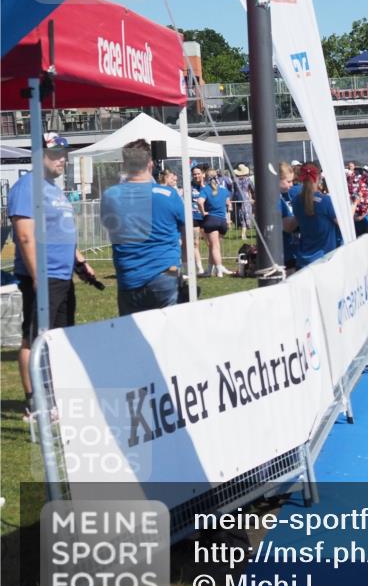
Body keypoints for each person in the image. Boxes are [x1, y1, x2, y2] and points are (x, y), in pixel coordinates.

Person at [8, 137, 95, 416]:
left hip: (62, 277)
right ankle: (34, 402)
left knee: (58, 339)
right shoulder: (27, 187)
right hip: (42, 277)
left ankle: (54, 397)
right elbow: (24, 235)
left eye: (64, 154)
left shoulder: (54, 189)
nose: (63, 159)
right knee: (34, 338)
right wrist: (37, 276)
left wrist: (79, 260)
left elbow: (60, 230)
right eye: (56, 154)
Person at [100, 139, 187, 315]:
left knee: (133, 331)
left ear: (125, 164)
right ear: (150, 163)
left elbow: (110, 227)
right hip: (165, 273)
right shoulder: (169, 195)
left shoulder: (110, 196)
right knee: (170, 328)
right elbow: (187, 233)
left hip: (129, 276)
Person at [288, 163, 341, 267]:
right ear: (318, 178)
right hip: (324, 260)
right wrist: (355, 203)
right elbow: (343, 224)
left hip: (303, 260)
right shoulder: (326, 201)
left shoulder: (296, 201)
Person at [197, 169, 233, 276]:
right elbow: (229, 204)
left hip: (211, 219)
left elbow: (199, 202)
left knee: (214, 247)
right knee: (214, 247)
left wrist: (203, 212)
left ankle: (219, 271)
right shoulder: (223, 189)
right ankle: (209, 270)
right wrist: (228, 218)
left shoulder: (205, 189)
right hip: (222, 221)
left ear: (206, 177)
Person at [232, 163, 255, 241]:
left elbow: (233, 191)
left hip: (238, 199)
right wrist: (252, 197)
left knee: (241, 215)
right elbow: (252, 189)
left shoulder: (234, 180)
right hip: (246, 199)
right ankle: (243, 234)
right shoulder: (248, 180)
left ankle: (243, 233)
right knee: (246, 215)